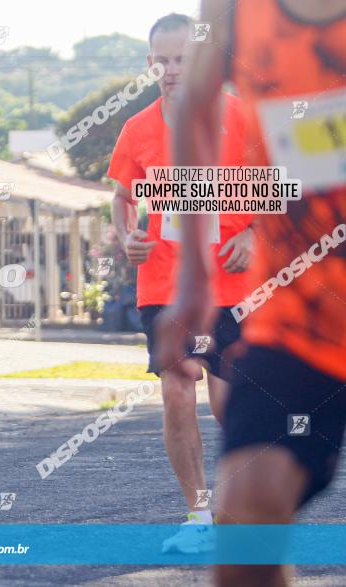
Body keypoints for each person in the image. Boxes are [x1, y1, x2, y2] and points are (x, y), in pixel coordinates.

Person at [156, 0, 346, 584]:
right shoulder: (230, 8)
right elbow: (193, 107)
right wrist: (193, 278)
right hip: (299, 316)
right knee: (244, 512)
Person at [107, 13, 254, 553]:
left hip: (232, 287)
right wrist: (127, 236)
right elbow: (123, 198)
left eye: (182, 60)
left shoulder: (239, 118)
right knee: (175, 392)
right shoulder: (137, 128)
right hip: (164, 283)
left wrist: (255, 236)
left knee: (228, 406)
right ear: (151, 65)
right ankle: (198, 518)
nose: (171, 70)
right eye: (162, 61)